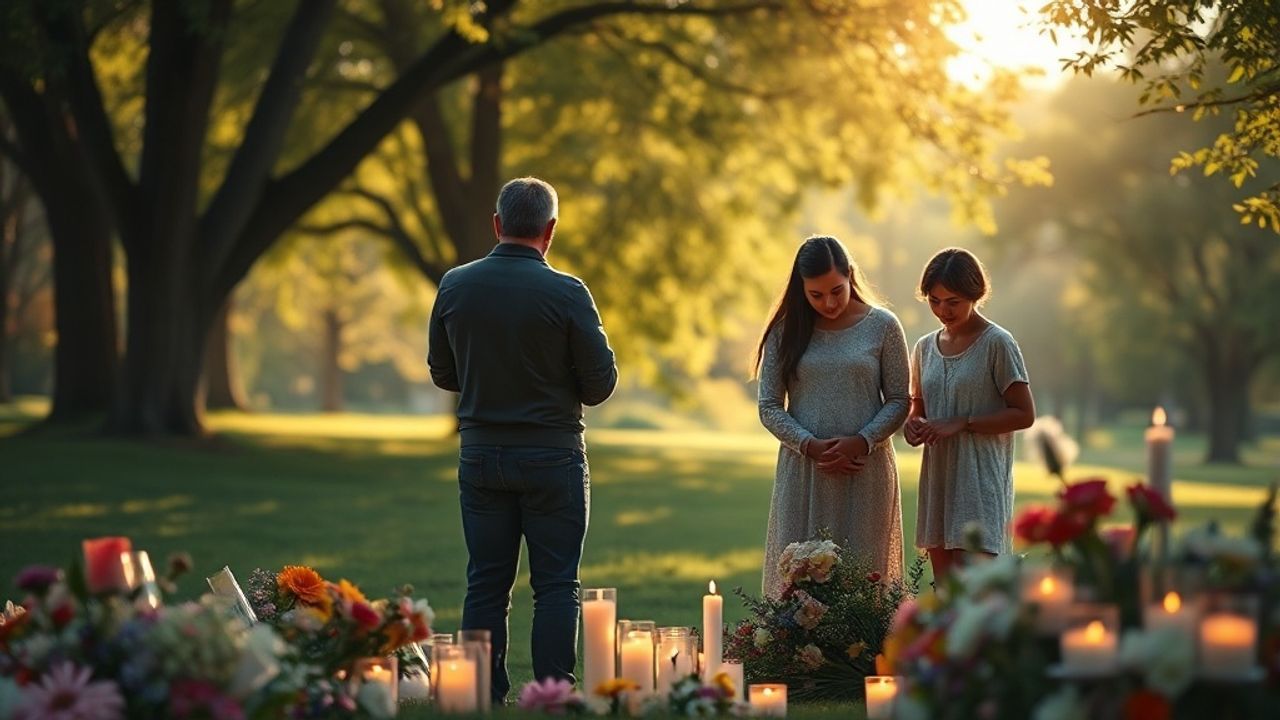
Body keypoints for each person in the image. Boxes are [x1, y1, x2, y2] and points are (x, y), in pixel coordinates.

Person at [427, 177, 618, 702]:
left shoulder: (454, 285)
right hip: (553, 455)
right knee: (557, 584)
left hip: (481, 454)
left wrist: (490, 379)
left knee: (485, 582)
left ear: (497, 224)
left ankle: (482, 695)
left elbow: (443, 371)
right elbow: (600, 385)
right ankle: (553, 695)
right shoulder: (568, 292)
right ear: (550, 230)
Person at [755, 235, 910, 597]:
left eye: (836, 291)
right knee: (798, 585)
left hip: (866, 472)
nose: (829, 302)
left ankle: (869, 655)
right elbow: (769, 406)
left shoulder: (883, 326)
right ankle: (796, 655)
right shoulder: (786, 330)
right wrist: (809, 446)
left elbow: (900, 399)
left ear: (850, 275)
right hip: (804, 472)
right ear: (801, 288)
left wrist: (863, 441)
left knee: (865, 582)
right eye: (816, 295)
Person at [905, 247, 1035, 582]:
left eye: (953, 301)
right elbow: (917, 408)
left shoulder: (998, 344)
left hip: (979, 487)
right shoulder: (923, 348)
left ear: (975, 295)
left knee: (978, 600)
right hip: (938, 484)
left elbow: (1024, 414)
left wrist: (963, 422)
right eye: (934, 300)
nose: (943, 310)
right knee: (946, 600)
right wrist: (913, 426)